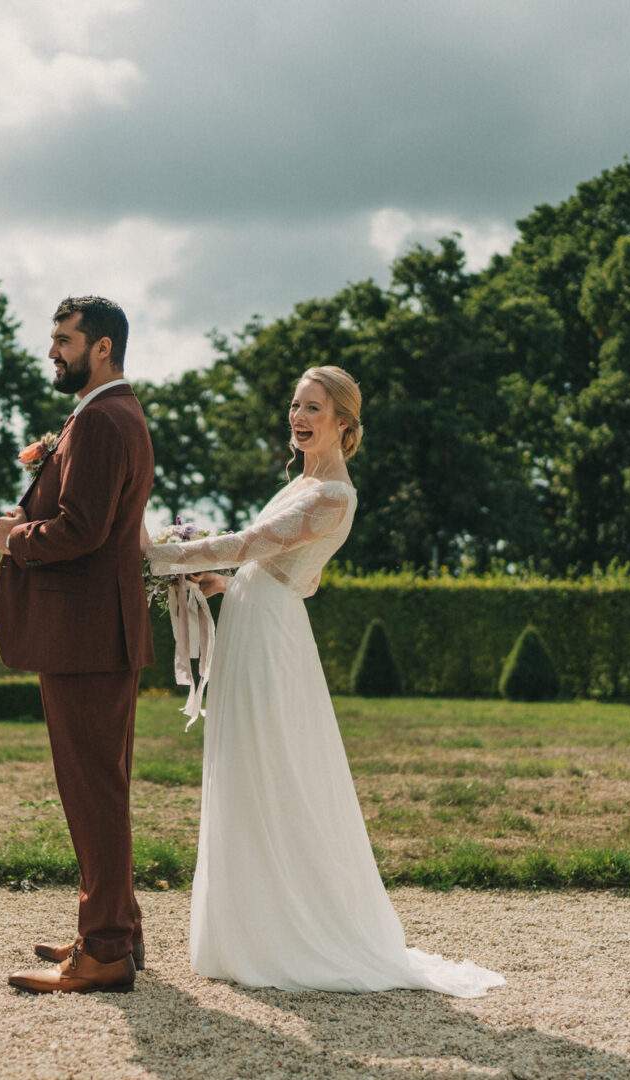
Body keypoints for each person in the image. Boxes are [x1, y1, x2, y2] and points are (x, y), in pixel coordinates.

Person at [143, 366, 505, 995]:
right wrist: (224, 583)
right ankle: (245, 929)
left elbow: (254, 543)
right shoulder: (302, 483)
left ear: (344, 421)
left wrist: (157, 554)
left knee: (271, 767)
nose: (298, 417)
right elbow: (288, 573)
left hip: (271, 638)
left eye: (313, 407)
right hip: (253, 620)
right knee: (245, 765)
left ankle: (286, 932)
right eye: (294, 406)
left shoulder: (334, 494)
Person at [0, 296, 156, 994]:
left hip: (85, 636)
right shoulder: (112, 414)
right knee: (100, 789)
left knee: (92, 792)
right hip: (97, 634)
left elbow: (82, 528)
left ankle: (106, 949)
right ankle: (115, 930)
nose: (52, 352)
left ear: (102, 347)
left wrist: (12, 537)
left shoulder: (103, 419)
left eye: (63, 341)